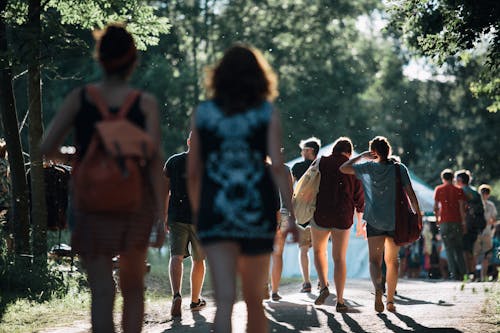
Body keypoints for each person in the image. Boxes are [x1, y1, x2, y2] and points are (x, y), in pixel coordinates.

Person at [40, 24, 165, 333]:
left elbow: (46, 149)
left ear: (100, 59)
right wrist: (160, 219)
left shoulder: (80, 98)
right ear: (133, 60)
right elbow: (153, 164)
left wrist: (76, 156)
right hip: (134, 206)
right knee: (133, 289)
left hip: (90, 205)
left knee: (101, 290)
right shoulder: (143, 103)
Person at [187, 44, 299, 333]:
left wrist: (200, 212)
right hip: (256, 210)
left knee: (224, 300)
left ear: (220, 76)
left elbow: (194, 171)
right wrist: (292, 214)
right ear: (258, 77)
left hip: (217, 209)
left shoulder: (204, 113)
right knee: (253, 301)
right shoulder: (265, 113)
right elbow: (277, 166)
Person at [340, 136, 421, 313]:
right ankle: (390, 301)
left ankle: (378, 288)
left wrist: (361, 155)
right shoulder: (399, 169)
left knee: (374, 261)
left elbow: (343, 168)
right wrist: (419, 214)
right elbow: (410, 194)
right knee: (393, 261)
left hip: (375, 220)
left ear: (373, 152)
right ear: (388, 150)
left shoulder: (368, 167)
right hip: (395, 221)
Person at [309, 137, 364, 312]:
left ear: (334, 149)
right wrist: (360, 221)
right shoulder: (352, 167)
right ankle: (340, 300)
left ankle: (324, 286)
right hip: (342, 215)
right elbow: (359, 196)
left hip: (321, 213)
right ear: (348, 152)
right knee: (339, 258)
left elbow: (310, 184)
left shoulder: (321, 162)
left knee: (318, 251)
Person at [164, 132, 206, 318]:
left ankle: (176, 295)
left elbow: (166, 191)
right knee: (199, 260)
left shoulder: (173, 161)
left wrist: (165, 215)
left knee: (176, 256)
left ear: (188, 141)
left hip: (176, 216)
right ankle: (195, 300)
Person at [291, 136, 321, 293]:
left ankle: (306, 282)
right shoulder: (322, 166)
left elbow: (290, 190)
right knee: (320, 250)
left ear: (310, 151)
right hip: (319, 214)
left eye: (303, 149)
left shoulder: (296, 167)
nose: (301, 152)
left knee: (303, 250)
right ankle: (323, 282)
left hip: (302, 215)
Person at [433, 169, 467, 280]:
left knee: (448, 249)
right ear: (453, 178)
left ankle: (454, 274)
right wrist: (464, 223)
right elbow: (462, 207)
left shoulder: (439, 189)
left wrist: (438, 219)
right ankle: (463, 273)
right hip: (456, 221)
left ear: (443, 178)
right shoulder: (459, 190)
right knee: (458, 248)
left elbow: (436, 207)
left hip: (444, 221)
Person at [269, 153, 294, 301]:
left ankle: (264, 287)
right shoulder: (285, 169)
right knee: (277, 253)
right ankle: (275, 291)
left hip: (263, 215)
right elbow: (290, 195)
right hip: (283, 214)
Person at [454, 170, 486, 279]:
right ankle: (473, 273)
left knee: (465, 250)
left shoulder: (462, 191)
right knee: (471, 249)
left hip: (466, 223)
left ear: (460, 180)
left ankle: (469, 272)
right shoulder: (474, 191)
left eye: (456, 179)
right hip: (476, 225)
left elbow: (463, 208)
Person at [476, 184, 497, 281]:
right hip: (476, 233)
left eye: (486, 193)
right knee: (475, 254)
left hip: (487, 233)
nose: (484, 194)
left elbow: (494, 219)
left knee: (486, 255)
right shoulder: (475, 204)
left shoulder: (491, 205)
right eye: (483, 192)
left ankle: (483, 276)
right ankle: (475, 275)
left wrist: (487, 222)